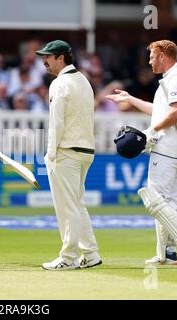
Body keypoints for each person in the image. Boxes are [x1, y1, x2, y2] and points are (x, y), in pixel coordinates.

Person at [106, 40, 177, 265]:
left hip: (169, 146)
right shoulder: (172, 78)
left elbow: (176, 113)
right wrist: (130, 99)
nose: (149, 61)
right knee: (165, 200)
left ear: (162, 55)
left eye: (152, 56)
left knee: (154, 199)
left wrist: (151, 131)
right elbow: (161, 110)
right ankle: (166, 253)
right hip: (173, 146)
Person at [36, 40, 102, 270]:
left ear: (61, 58)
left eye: (48, 57)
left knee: (67, 207)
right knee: (77, 204)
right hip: (86, 151)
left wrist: (50, 153)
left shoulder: (60, 83)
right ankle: (91, 253)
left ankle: (68, 257)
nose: (44, 61)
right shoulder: (83, 80)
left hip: (67, 151)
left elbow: (57, 122)